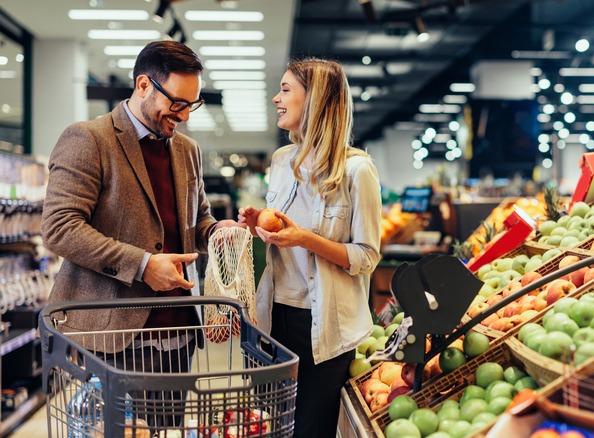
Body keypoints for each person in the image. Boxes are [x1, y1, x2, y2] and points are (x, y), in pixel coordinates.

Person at [41, 40, 241, 430]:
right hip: (113, 337)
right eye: (178, 103)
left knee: (165, 431)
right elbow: (59, 226)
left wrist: (218, 231)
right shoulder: (89, 139)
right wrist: (143, 265)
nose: (183, 115)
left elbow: (195, 222)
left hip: (178, 335)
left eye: (191, 104)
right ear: (144, 84)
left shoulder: (188, 150)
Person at [238, 58, 382, 438]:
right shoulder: (281, 161)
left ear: (315, 99)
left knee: (312, 431)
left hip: (326, 323)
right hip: (276, 314)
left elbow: (366, 257)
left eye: (286, 90)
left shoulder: (356, 170)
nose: (276, 98)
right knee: (277, 427)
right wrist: (258, 225)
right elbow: (282, 235)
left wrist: (306, 239)